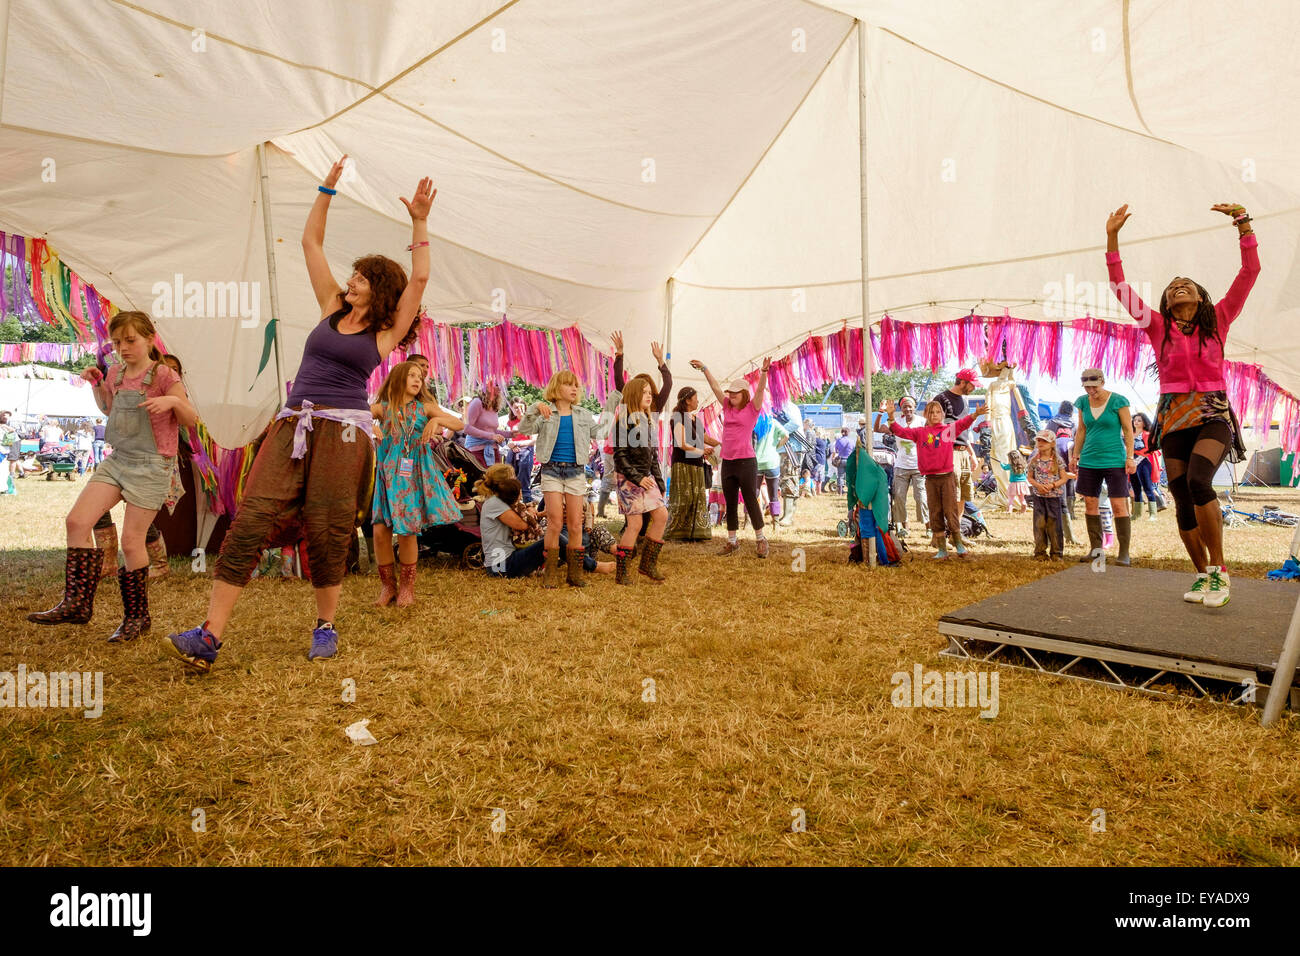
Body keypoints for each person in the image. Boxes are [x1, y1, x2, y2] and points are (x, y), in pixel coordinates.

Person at [166, 156, 433, 671]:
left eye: (360, 278)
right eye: (350, 276)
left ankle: (326, 625)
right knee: (251, 518)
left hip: (346, 434)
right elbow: (311, 243)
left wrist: (419, 222)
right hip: (293, 423)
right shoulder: (330, 307)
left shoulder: (386, 334)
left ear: (378, 290)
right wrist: (325, 190)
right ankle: (209, 635)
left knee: (327, 525)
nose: (350, 282)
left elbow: (419, 279)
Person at [1106, 202, 1258, 605]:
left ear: (1200, 297)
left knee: (1198, 481)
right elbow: (1120, 287)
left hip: (1212, 413)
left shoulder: (1219, 320)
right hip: (1173, 416)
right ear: (1166, 302)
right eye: (1172, 286)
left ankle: (1221, 571)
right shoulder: (1158, 328)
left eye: (1186, 284)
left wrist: (1243, 223)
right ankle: (1202, 575)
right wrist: (1112, 237)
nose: (1179, 287)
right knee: (1180, 496)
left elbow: (1250, 273)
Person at [28, 311, 197, 642]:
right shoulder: (116, 372)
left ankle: (137, 617)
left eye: (130, 340)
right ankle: (76, 603)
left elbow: (191, 417)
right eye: (118, 342)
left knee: (132, 541)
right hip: (119, 459)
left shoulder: (164, 374)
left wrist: (168, 401)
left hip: (152, 464)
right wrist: (96, 385)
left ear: (150, 339)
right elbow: (109, 408)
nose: (123, 348)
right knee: (77, 522)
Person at [369, 361, 465, 607]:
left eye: (420, 377)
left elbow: (460, 424)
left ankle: (407, 588)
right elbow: (355, 415)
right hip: (387, 476)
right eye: (411, 375)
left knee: (407, 531)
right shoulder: (384, 408)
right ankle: (387, 586)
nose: (417, 380)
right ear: (398, 378)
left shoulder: (425, 407)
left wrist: (437, 421)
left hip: (412, 477)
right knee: (380, 530)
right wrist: (369, 425)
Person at [520, 370, 601, 587]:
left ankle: (574, 574)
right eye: (569, 385)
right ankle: (550, 573)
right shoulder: (545, 411)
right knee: (555, 522)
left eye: (576, 385)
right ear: (557, 388)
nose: (574, 389)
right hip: (551, 471)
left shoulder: (583, 414)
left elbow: (601, 432)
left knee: (576, 524)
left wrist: (613, 411)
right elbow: (524, 428)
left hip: (576, 472)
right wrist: (534, 408)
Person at [691, 357, 772, 557]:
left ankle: (761, 539)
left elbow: (760, 391)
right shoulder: (727, 406)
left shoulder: (752, 409)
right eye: (731, 393)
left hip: (746, 462)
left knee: (751, 500)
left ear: (744, 394)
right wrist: (705, 369)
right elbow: (716, 388)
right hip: (727, 461)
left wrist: (763, 372)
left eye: (735, 393)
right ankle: (732, 541)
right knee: (730, 501)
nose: (731, 396)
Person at [884, 397, 982, 559]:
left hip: (947, 478)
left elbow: (964, 423)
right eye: (931, 412)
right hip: (930, 479)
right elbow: (901, 432)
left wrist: (975, 414)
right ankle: (942, 549)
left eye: (938, 412)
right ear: (926, 415)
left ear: (942, 414)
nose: (935, 415)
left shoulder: (947, 431)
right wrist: (891, 417)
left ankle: (958, 544)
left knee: (951, 510)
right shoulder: (920, 433)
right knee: (935, 512)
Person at [476, 464, 611, 578]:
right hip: (501, 567)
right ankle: (592, 566)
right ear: (504, 483)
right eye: (513, 477)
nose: (516, 480)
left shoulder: (499, 501)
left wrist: (538, 514)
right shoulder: (494, 502)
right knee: (554, 538)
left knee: (551, 538)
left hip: (506, 560)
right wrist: (534, 513)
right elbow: (522, 525)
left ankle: (578, 563)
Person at [1069, 368, 1136, 566]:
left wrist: (1130, 457)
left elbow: (1128, 430)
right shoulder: (1082, 402)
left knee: (1118, 504)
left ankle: (1124, 553)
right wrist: (1075, 455)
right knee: (1090, 502)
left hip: (1115, 459)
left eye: (1094, 387)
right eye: (1087, 387)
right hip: (1089, 459)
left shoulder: (1118, 401)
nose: (1091, 391)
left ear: (1103, 382)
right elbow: (1081, 430)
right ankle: (1096, 550)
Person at [612, 377, 669, 583]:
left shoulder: (649, 422)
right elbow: (620, 457)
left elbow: (653, 457)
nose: (649, 395)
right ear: (634, 395)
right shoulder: (622, 423)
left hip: (646, 478)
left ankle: (647, 564)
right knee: (635, 525)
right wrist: (637, 478)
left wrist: (660, 482)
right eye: (644, 392)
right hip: (629, 480)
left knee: (661, 515)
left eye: (650, 392)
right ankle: (622, 571)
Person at [664, 387, 717, 542]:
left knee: (697, 498)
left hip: (696, 464)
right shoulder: (678, 418)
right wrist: (702, 451)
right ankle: (678, 533)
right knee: (683, 499)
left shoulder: (696, 419)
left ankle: (696, 533)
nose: (698, 401)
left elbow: (706, 438)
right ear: (687, 401)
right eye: (695, 398)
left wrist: (723, 445)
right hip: (683, 464)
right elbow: (681, 444)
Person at [876, 396, 927, 535]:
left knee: (921, 498)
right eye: (905, 406)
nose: (908, 409)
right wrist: (881, 412)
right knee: (899, 497)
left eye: (910, 406)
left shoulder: (922, 422)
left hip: (919, 466)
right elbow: (877, 429)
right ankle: (904, 528)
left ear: (915, 407)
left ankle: (929, 528)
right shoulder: (896, 422)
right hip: (901, 466)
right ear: (901, 408)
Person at [934, 369, 981, 504]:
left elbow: (964, 430)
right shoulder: (941, 399)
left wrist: (971, 454)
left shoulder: (965, 402)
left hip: (963, 452)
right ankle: (949, 524)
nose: (974, 388)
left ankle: (957, 525)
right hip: (949, 451)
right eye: (972, 385)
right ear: (962, 382)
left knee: (964, 496)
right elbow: (934, 428)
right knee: (952, 492)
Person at [1027, 429, 1074, 561]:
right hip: (1039, 496)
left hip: (1054, 497)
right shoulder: (1034, 460)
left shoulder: (1057, 461)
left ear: (1052, 443)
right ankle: (1040, 552)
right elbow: (1029, 477)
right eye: (1039, 440)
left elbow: (1064, 478)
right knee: (1039, 523)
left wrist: (1052, 486)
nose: (1041, 443)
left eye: (1045, 441)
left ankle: (1057, 553)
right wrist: (1038, 486)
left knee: (1054, 524)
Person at [462, 383, 510, 466]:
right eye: (497, 384)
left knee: (498, 478)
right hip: (478, 451)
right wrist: (491, 436)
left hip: (493, 450)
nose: (501, 387)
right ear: (487, 385)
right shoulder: (477, 402)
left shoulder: (494, 406)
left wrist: (512, 434)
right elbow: (467, 428)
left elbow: (493, 431)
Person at [754, 412, 790, 520]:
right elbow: (786, 435)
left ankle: (749, 521)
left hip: (756, 462)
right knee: (773, 494)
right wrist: (777, 446)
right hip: (772, 462)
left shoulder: (753, 422)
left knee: (753, 493)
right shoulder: (773, 422)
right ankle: (776, 522)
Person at [1130, 412, 1165, 521]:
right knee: (1135, 488)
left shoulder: (1147, 434)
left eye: (1139, 420)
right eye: (1135, 420)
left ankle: (1153, 514)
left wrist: (1138, 457)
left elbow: (1150, 449)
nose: (1136, 422)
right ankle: (1137, 514)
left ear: (1144, 423)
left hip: (1144, 462)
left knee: (1148, 488)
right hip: (1132, 462)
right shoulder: (1130, 434)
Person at [504, 400, 537, 504]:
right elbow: (508, 440)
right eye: (516, 407)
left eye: (521, 407)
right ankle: (511, 504)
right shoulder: (510, 422)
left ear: (525, 407)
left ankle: (527, 504)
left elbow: (533, 440)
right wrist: (511, 445)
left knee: (523, 481)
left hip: (526, 451)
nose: (519, 409)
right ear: (512, 409)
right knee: (509, 479)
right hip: (512, 452)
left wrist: (517, 444)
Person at [831, 426, 855, 494]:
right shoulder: (851, 441)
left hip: (841, 460)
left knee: (840, 476)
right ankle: (850, 491)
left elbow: (836, 450)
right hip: (849, 460)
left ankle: (840, 492)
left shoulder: (838, 440)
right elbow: (854, 450)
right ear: (848, 433)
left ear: (842, 433)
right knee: (849, 476)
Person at [1004, 448, 1029, 512]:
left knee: (1011, 498)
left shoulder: (1011, 465)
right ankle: (1024, 505)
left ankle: (1009, 510)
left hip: (1014, 484)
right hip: (1022, 483)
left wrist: (1001, 463)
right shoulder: (1023, 464)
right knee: (1021, 498)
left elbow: (1004, 467)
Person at [1, 410, 20, 495]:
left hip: (4, 451)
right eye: (3, 415)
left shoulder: (8, 426)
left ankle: (5, 488)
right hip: (3, 450)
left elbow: (12, 432)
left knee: (4, 469)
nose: (5, 417)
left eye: (7, 416)